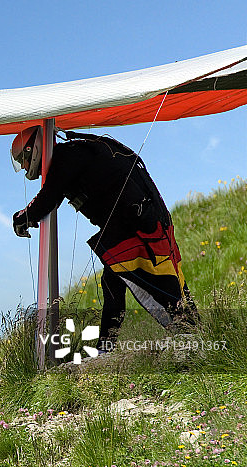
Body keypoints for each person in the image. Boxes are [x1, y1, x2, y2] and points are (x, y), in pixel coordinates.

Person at [11, 125, 197, 352]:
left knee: (158, 283)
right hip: (137, 220)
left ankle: (191, 335)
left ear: (34, 149)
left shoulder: (66, 157)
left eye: (24, 160)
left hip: (134, 226)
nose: (24, 167)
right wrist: (28, 215)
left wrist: (22, 217)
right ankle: (107, 346)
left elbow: (47, 199)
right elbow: (53, 195)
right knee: (113, 284)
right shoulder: (73, 155)